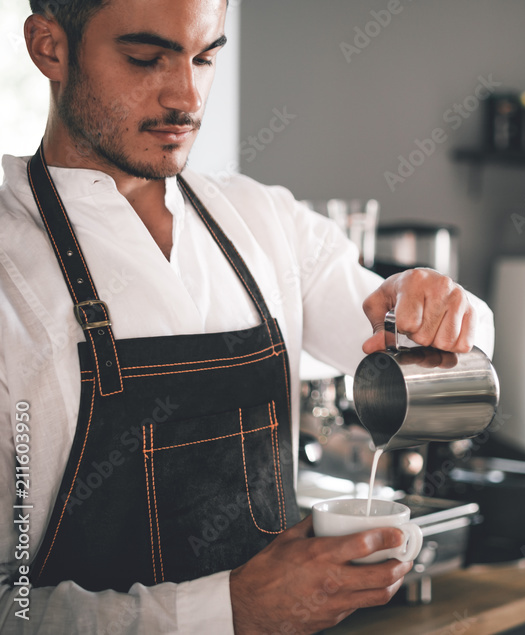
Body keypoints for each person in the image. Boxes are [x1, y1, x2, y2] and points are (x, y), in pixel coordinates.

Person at [0, 0, 494, 633]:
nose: (186, 96)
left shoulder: (263, 222)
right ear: (50, 48)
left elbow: (458, 364)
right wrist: (230, 612)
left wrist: (441, 310)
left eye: (205, 56)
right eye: (146, 58)